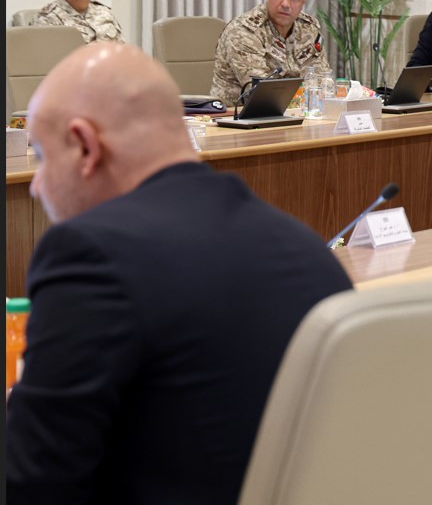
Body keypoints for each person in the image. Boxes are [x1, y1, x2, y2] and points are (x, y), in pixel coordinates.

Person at [7, 43, 353, 504]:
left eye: (43, 157)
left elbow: (32, 480)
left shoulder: (91, 253)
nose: (36, 186)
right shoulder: (302, 245)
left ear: (86, 146)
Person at [210, 0, 332, 107]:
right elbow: (264, 94)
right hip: (235, 115)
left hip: (295, 113)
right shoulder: (243, 31)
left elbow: (323, 82)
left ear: (303, 1)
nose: (286, 4)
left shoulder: (308, 29)